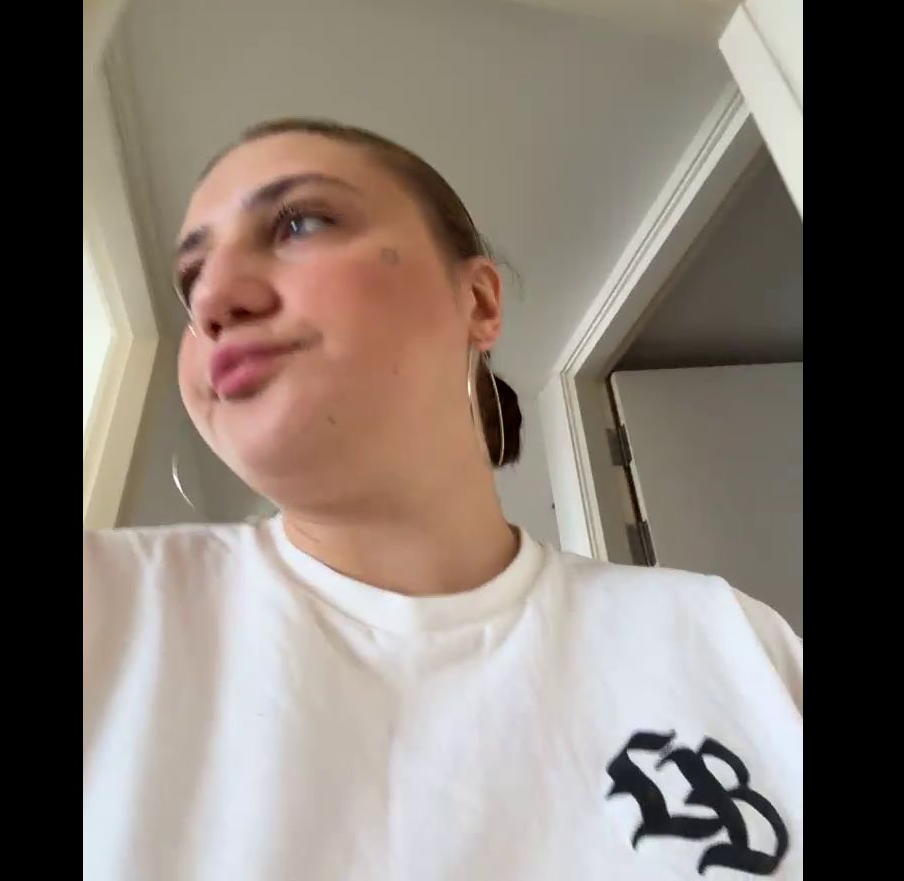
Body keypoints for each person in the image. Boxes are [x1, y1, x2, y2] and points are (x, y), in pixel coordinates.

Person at [83, 120, 802, 880]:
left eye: (302, 223)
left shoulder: (731, 639)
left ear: (479, 300)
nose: (213, 299)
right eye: (190, 280)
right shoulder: (108, 607)